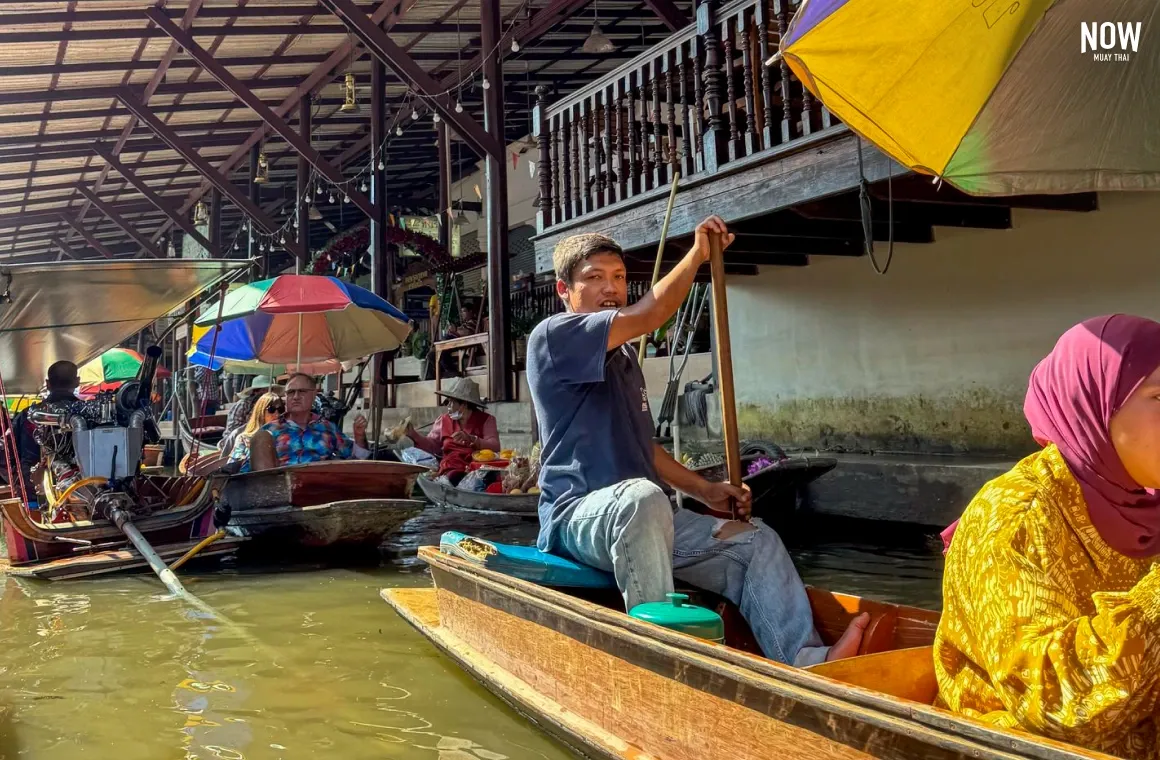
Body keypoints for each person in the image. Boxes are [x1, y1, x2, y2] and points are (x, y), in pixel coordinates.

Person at [527, 219, 867, 668]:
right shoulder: (555, 335)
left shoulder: (624, 356)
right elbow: (649, 314)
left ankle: (806, 659)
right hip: (577, 519)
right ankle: (658, 657)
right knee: (643, 499)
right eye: (594, 278)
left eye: (619, 278)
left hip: (646, 519)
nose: (610, 288)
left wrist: (705, 490)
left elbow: (643, 447)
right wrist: (698, 256)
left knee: (756, 541)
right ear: (564, 291)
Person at [935, 315, 1160, 760]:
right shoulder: (1013, 515)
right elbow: (1056, 706)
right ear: (1095, 404)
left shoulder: (1145, 499)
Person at [248, 372, 369, 472]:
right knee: (261, 438)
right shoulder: (269, 430)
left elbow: (358, 461)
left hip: (321, 488)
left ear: (313, 395)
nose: (295, 396)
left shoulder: (327, 428)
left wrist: (359, 436)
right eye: (291, 392)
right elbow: (249, 470)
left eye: (302, 391)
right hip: (280, 489)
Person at [404, 377, 500, 483]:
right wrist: (414, 435)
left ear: (464, 405)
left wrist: (472, 439)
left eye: (452, 402)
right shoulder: (443, 420)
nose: (448, 406)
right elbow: (433, 446)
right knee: (452, 476)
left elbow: (495, 446)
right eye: (448, 402)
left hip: (477, 471)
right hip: (448, 469)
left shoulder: (486, 420)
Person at [10, 361, 79, 495]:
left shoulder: (27, 415)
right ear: (77, 382)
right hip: (78, 494)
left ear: (47, 384)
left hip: (32, 491)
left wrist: (19, 478)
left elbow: (6, 449)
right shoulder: (91, 414)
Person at [225, 392, 284, 472]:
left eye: (281, 410)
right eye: (271, 410)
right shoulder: (244, 439)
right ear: (261, 412)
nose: (277, 414)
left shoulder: (287, 437)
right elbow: (231, 467)